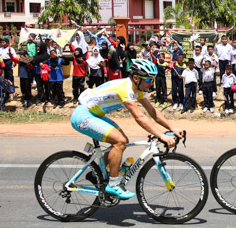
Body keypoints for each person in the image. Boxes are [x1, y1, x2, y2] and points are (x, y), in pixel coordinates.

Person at [71, 59, 182, 199]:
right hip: (83, 116)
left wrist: (172, 127)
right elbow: (139, 117)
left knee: (122, 142)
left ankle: (96, 173)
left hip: (96, 115)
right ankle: (113, 184)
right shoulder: (125, 88)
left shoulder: (138, 89)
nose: (151, 83)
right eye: (148, 79)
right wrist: (162, 136)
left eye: (153, 79)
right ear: (136, 78)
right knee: (120, 141)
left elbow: (152, 112)